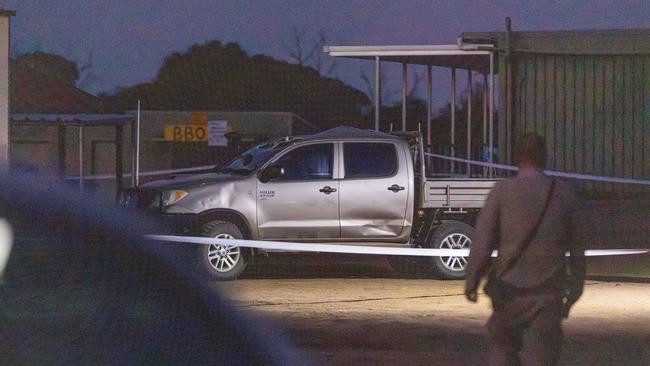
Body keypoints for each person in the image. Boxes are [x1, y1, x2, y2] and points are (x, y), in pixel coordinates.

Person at [464, 133, 586, 366]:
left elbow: (482, 242)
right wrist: (574, 291)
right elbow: (578, 251)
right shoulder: (564, 194)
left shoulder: (501, 192)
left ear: (518, 157)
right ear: (544, 157)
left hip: (507, 295)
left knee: (502, 354)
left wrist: (472, 279)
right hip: (547, 297)